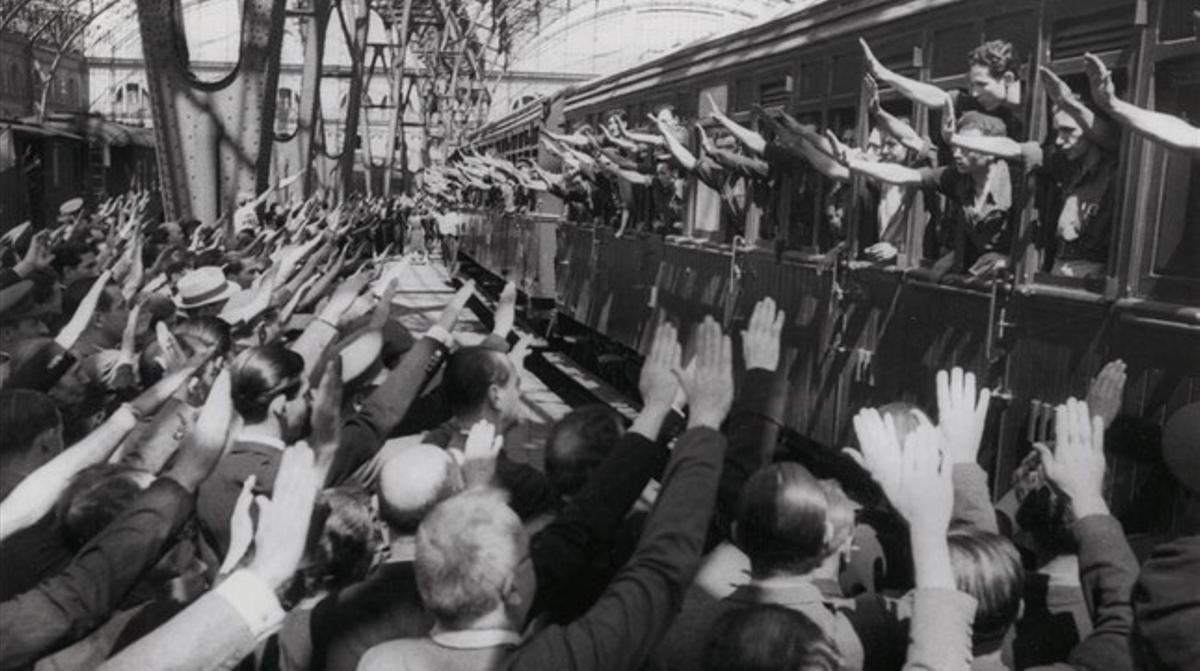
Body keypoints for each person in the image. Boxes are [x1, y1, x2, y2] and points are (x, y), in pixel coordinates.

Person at [828, 111, 1017, 278]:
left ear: (992, 152)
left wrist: (1010, 259)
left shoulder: (1015, 182)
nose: (957, 154)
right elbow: (906, 175)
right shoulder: (956, 176)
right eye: (955, 147)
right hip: (977, 276)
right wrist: (854, 164)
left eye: (966, 148)